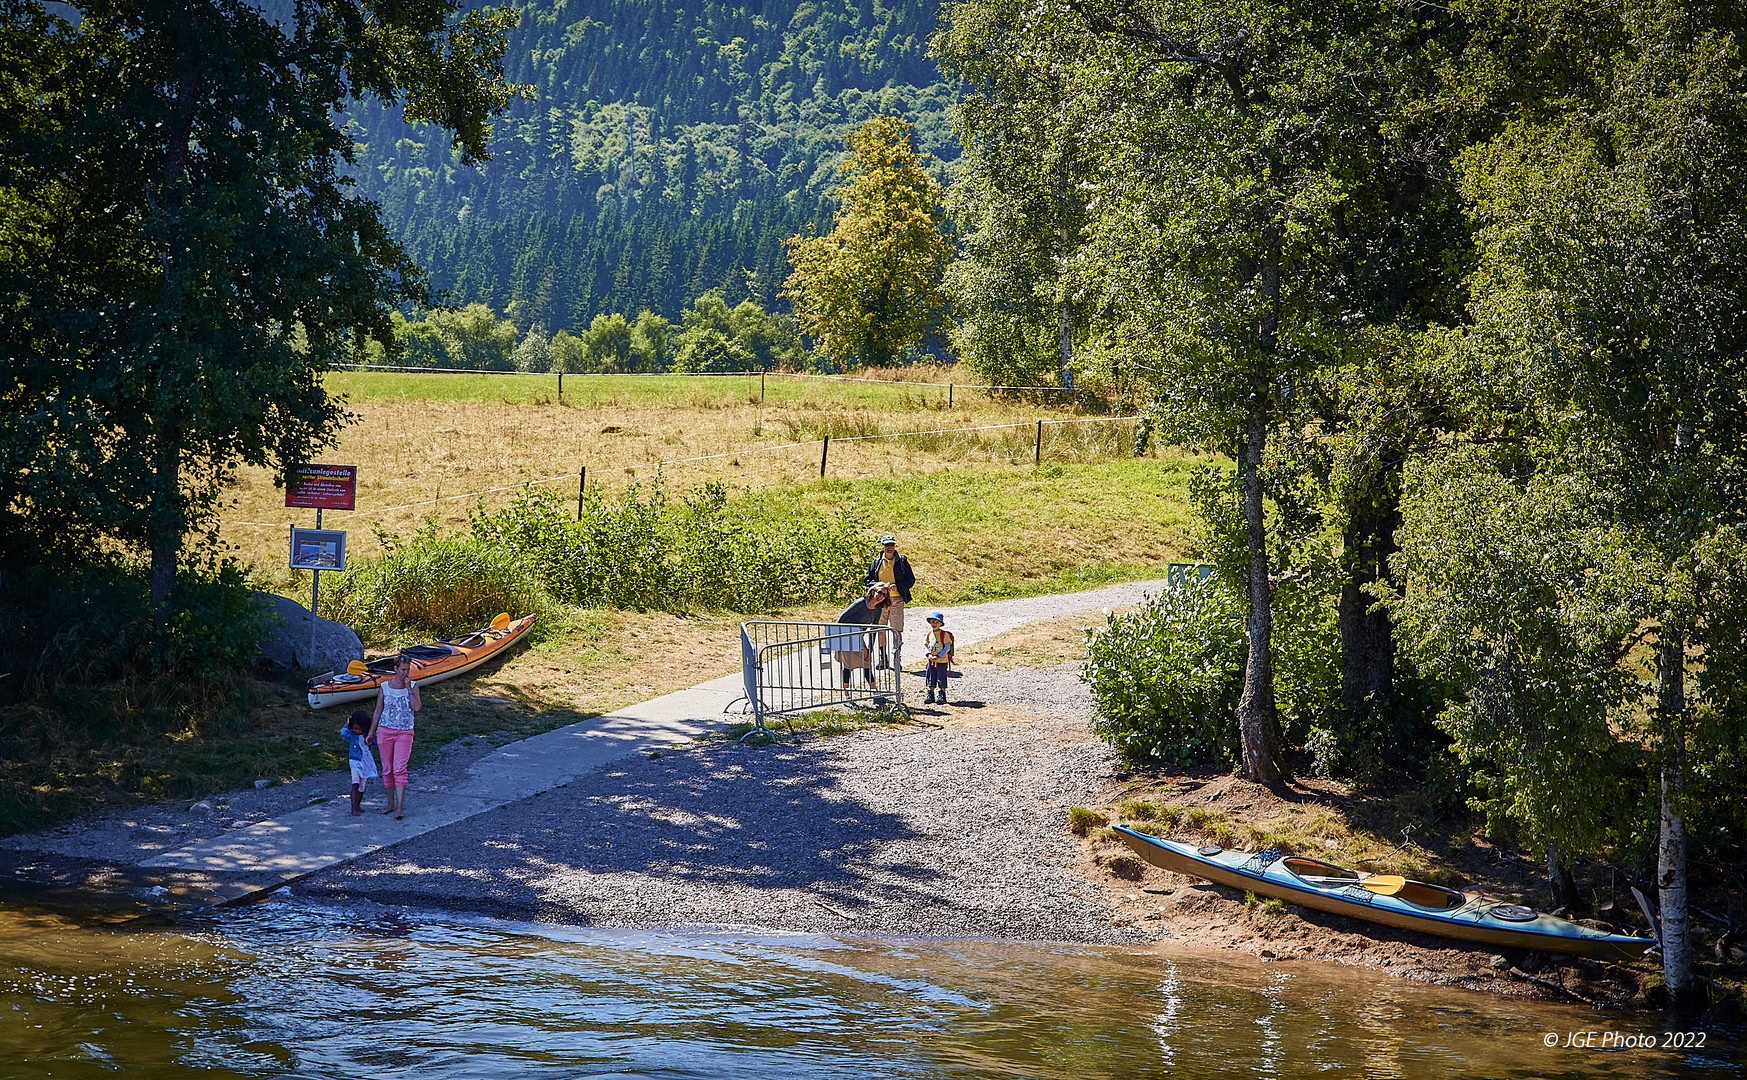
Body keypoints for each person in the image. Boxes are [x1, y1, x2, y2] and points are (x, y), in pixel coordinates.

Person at [368, 654, 421, 819]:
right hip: (385, 730)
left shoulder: (413, 686)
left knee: (400, 768)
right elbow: (378, 711)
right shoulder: (385, 686)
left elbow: (417, 707)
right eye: (402, 669)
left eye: (407, 670)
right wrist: (370, 733)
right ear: (395, 669)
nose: (405, 673)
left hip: (404, 731)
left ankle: (399, 807)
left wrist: (409, 689)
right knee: (387, 769)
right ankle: (390, 803)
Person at [865, 535, 914, 667]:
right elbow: (867, 580)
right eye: (887, 545)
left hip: (897, 599)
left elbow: (910, 580)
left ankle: (897, 660)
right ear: (882, 547)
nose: (890, 547)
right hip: (881, 600)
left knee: (896, 630)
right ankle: (883, 660)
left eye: (891, 545)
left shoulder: (902, 562)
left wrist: (898, 586)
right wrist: (878, 586)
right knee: (880, 629)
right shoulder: (876, 563)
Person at [833, 584, 892, 689]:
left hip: (858, 637)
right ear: (873, 592)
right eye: (880, 592)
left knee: (866, 663)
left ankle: (874, 691)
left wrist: (870, 650)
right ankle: (846, 695)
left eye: (884, 595)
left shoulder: (878, 609)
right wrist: (838, 640)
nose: (881, 596)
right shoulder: (860, 603)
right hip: (846, 636)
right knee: (848, 666)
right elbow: (842, 618)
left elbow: (874, 629)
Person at [341, 710, 379, 815]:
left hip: (365, 762)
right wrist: (346, 724)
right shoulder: (351, 734)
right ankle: (353, 808)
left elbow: (374, 744)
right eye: (355, 728)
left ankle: (357, 805)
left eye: (359, 729)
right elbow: (343, 733)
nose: (357, 731)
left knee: (362, 785)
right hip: (354, 761)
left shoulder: (366, 735)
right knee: (355, 783)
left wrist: (370, 741)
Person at [922, 611, 954, 705]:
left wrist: (939, 656)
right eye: (932, 622)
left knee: (941, 677)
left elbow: (947, 647)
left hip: (942, 661)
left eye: (936, 622)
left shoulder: (944, 634)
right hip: (931, 661)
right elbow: (925, 645)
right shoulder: (929, 634)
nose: (934, 624)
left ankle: (942, 694)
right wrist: (929, 655)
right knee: (931, 677)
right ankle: (930, 694)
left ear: (940, 623)